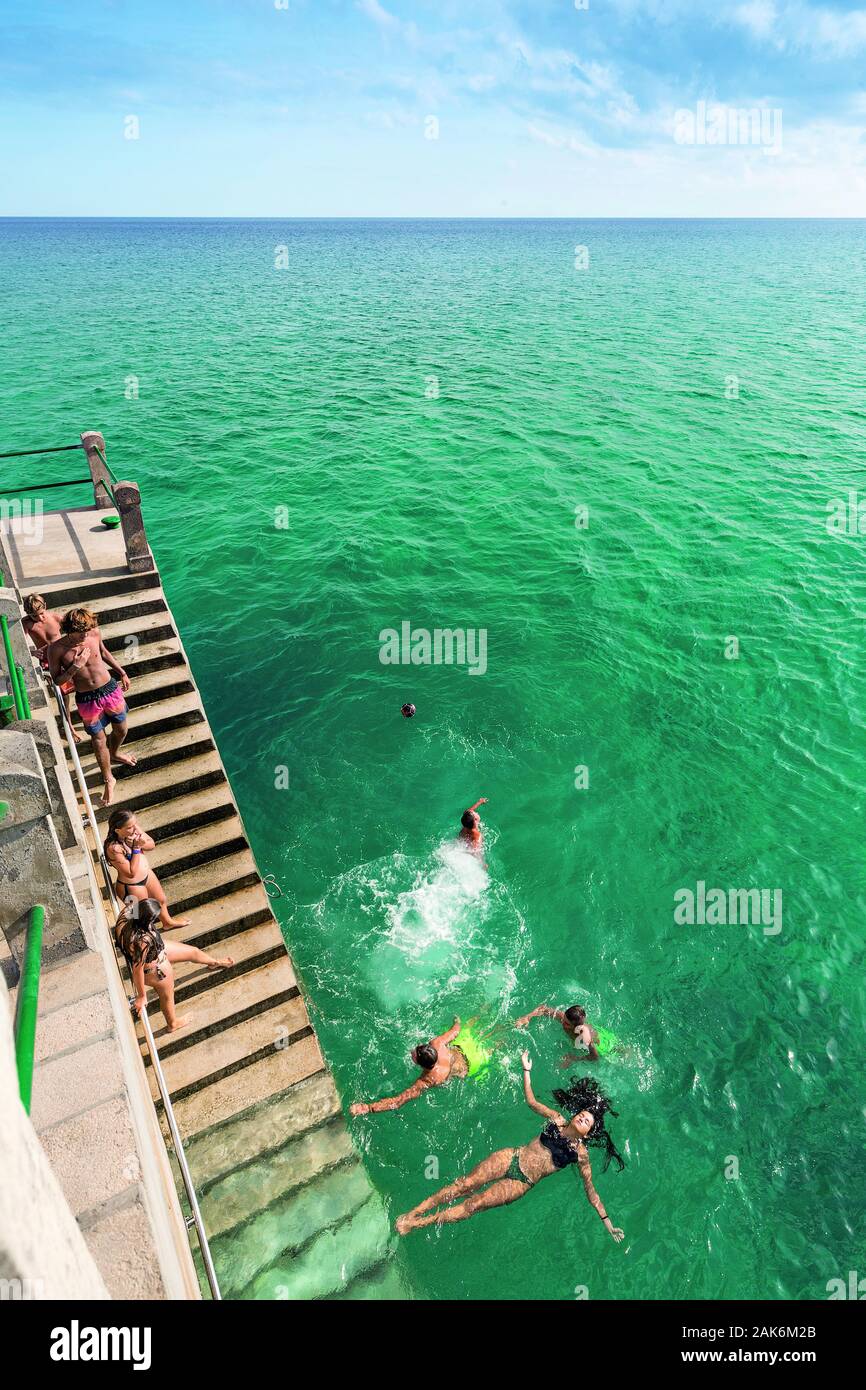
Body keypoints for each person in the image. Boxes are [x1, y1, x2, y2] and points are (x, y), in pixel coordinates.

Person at [396, 1053, 624, 1238]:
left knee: (474, 1204)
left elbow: (590, 1189)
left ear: (588, 1132)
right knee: (465, 1184)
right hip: (512, 1157)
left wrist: (607, 1222)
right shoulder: (556, 1119)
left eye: (588, 1121)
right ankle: (415, 1212)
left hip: (521, 1182)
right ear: (575, 1115)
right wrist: (526, 1070)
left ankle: (419, 1224)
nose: (584, 1117)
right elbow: (531, 1101)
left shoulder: (580, 1154)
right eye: (583, 1114)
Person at [47, 607, 134, 805]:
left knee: (121, 730)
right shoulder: (56, 649)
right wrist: (75, 666)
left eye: (88, 631)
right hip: (87, 698)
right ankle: (108, 779)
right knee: (98, 739)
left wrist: (122, 672)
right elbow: (57, 680)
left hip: (110, 689)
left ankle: (115, 753)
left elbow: (104, 652)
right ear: (69, 630)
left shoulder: (93, 633)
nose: (85, 635)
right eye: (81, 632)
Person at [114, 897, 234, 1033]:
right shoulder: (143, 941)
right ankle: (173, 1023)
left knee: (193, 951)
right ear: (147, 919)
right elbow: (137, 970)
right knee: (167, 996)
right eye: (154, 918)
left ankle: (214, 962)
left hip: (156, 952)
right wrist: (142, 996)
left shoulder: (127, 913)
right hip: (154, 970)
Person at [350, 1017, 468, 1114]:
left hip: (464, 1070)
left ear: (422, 1066)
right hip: (459, 1053)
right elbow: (455, 1032)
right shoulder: (437, 1043)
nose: (412, 1051)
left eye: (414, 1055)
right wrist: (457, 1021)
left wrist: (368, 1108)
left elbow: (398, 1101)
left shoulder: (428, 1079)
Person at [104, 809, 190, 929]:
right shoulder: (114, 848)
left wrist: (140, 843)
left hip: (147, 875)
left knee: (161, 900)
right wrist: (136, 847)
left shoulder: (134, 829)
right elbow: (130, 873)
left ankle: (167, 923)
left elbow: (151, 844)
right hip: (131, 886)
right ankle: (144, 942)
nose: (135, 829)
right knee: (142, 917)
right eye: (129, 827)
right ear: (118, 830)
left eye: (135, 824)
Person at [22, 594, 82, 741]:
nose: (40, 618)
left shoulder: (56, 617)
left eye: (41, 613)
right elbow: (18, 644)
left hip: (64, 657)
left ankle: (85, 717)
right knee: (63, 696)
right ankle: (69, 727)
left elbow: (73, 631)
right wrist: (32, 651)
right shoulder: (26, 623)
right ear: (27, 614)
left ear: (46, 607)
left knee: (81, 686)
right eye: (34, 616)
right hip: (47, 662)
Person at [515, 1003, 601, 1062]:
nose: (563, 1023)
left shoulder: (584, 1037)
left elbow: (595, 1057)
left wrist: (574, 1058)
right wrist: (527, 1017)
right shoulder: (564, 1018)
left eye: (567, 1024)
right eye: (564, 1019)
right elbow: (543, 1009)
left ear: (576, 1027)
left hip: (603, 1044)